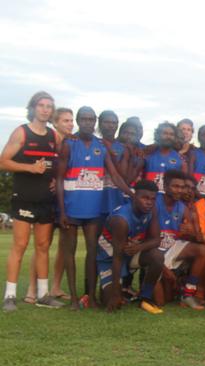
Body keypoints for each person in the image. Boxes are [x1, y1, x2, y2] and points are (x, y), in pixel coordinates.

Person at [57, 106, 134, 309]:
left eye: (91, 119)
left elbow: (115, 176)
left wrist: (132, 194)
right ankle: (74, 298)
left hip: (93, 210)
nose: (88, 123)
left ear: (95, 121)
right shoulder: (69, 144)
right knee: (70, 253)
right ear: (78, 120)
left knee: (92, 252)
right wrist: (62, 211)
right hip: (71, 208)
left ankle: (90, 297)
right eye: (84, 119)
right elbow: (58, 178)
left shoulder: (100, 146)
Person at [1, 91, 62, 311]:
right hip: (24, 197)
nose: (45, 109)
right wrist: (29, 167)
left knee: (43, 246)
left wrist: (55, 179)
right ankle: (9, 296)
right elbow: (3, 162)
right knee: (20, 245)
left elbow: (58, 163)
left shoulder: (53, 136)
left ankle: (43, 294)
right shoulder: (22, 132)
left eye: (49, 106)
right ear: (33, 108)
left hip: (45, 199)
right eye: (42, 105)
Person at [25, 107, 75, 303]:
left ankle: (55, 287)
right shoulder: (48, 141)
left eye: (71, 120)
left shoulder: (73, 143)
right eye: (65, 121)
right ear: (55, 123)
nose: (70, 124)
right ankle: (32, 287)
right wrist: (51, 180)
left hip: (66, 200)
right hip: (47, 199)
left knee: (64, 246)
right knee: (43, 244)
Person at [97, 180, 165, 314]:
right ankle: (118, 288)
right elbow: (117, 258)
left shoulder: (152, 209)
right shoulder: (121, 220)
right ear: (134, 196)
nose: (149, 202)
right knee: (109, 300)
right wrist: (115, 294)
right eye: (144, 198)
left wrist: (139, 248)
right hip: (110, 259)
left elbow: (156, 240)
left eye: (152, 199)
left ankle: (144, 297)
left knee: (157, 256)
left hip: (130, 254)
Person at [154, 169, 205, 310]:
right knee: (161, 302)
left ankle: (188, 293)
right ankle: (149, 282)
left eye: (182, 187)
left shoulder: (183, 208)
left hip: (170, 249)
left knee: (202, 250)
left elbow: (195, 237)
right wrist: (164, 269)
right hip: (152, 254)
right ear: (165, 187)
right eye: (175, 186)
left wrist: (190, 233)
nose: (180, 190)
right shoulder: (154, 203)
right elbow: (145, 242)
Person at [99, 110, 129, 216]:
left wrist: (112, 154)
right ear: (100, 124)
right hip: (96, 196)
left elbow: (123, 175)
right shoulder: (94, 143)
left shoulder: (123, 148)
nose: (110, 125)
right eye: (107, 122)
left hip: (115, 196)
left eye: (114, 123)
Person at [142, 122, 185, 193]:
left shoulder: (180, 159)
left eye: (171, 134)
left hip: (168, 200)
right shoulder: (148, 154)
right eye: (165, 133)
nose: (168, 136)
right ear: (158, 135)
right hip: (149, 198)